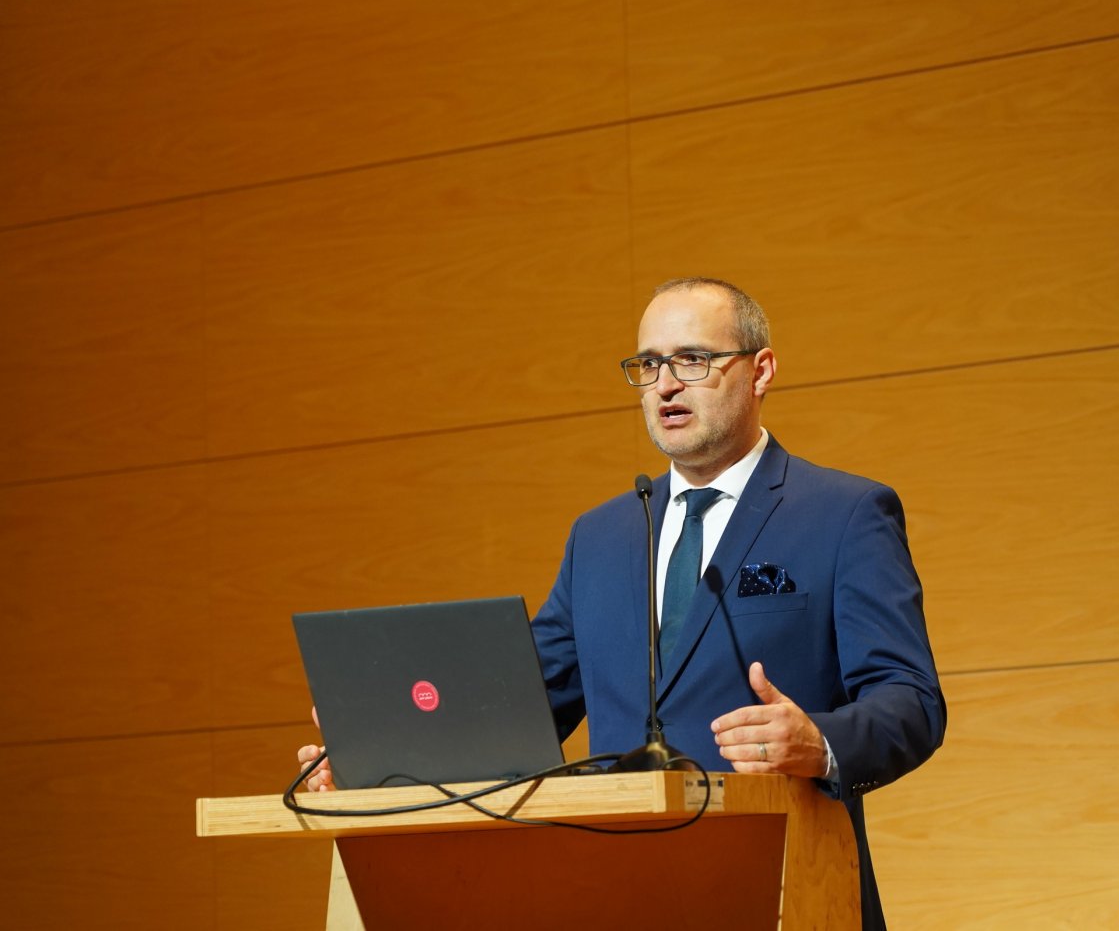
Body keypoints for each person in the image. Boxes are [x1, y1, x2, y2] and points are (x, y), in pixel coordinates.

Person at [299, 277, 947, 929]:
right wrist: (379, 753)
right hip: (612, 893)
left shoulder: (844, 514)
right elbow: (516, 706)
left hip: (783, 887)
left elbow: (911, 701)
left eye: (693, 360)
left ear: (761, 371)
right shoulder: (602, 536)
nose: (665, 385)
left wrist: (819, 742)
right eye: (649, 365)